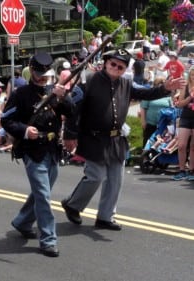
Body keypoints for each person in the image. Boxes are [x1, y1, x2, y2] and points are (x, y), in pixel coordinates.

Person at [60, 48, 186, 230]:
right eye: (113, 64)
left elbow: (145, 94)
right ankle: (73, 205)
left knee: (116, 179)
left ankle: (105, 217)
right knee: (95, 176)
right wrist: (69, 134)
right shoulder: (89, 80)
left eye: (121, 66)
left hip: (116, 139)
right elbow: (73, 108)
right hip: (94, 137)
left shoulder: (125, 83)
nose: (116, 68)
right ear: (105, 63)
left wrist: (165, 88)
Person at [0, 52, 75, 257]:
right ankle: (48, 239)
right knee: (43, 196)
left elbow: (71, 112)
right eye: (38, 73)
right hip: (32, 151)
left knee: (41, 193)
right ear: (31, 71)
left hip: (52, 149)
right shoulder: (21, 93)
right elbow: (6, 120)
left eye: (45, 74)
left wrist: (63, 97)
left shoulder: (54, 91)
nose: (42, 77)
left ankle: (23, 222)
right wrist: (24, 130)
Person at [172, 66, 194, 181]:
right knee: (181, 146)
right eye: (192, 75)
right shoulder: (185, 87)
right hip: (185, 117)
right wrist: (190, 97)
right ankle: (182, 170)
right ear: (189, 75)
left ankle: (191, 170)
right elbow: (179, 104)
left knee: (193, 146)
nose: (193, 77)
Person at [140, 77, 172, 147]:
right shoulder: (149, 94)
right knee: (147, 142)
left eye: (162, 83)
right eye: (160, 83)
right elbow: (143, 108)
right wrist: (143, 121)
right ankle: (145, 156)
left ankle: (156, 156)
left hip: (163, 125)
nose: (162, 85)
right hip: (150, 124)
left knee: (159, 142)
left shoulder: (168, 96)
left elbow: (171, 109)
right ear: (156, 84)